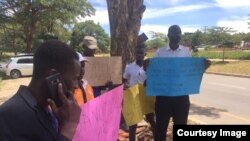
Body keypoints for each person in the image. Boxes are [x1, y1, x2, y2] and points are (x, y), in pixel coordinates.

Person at [0, 40, 82, 141]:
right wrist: (69, 126)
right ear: (53, 77)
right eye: (74, 78)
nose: (76, 85)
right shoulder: (11, 116)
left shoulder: (46, 109)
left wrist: (62, 124)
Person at [152, 25, 211, 141]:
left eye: (179, 33)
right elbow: (154, 72)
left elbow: (189, 72)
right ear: (168, 35)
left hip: (181, 97)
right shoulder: (160, 53)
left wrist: (202, 67)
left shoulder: (186, 52)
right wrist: (146, 67)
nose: (177, 35)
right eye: (174, 32)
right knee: (160, 129)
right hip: (164, 97)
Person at [123, 44, 156, 141]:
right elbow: (124, 79)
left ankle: (157, 138)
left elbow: (155, 79)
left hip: (147, 97)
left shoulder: (150, 66)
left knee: (152, 120)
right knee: (133, 123)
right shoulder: (129, 67)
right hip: (134, 97)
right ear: (134, 54)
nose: (139, 54)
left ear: (145, 53)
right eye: (137, 52)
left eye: (141, 52)